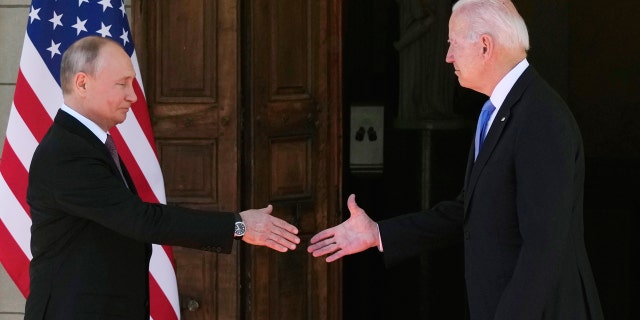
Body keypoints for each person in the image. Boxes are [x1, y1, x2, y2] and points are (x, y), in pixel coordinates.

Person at [308, 0, 604, 319]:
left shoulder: (540, 118)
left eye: (452, 43)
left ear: (485, 46)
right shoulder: (498, 112)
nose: (447, 56)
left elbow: (543, 249)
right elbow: (468, 211)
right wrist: (378, 233)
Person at [25, 36, 300, 319]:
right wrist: (238, 225)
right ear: (82, 83)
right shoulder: (67, 152)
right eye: (122, 84)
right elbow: (141, 220)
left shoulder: (86, 143)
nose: (133, 96)